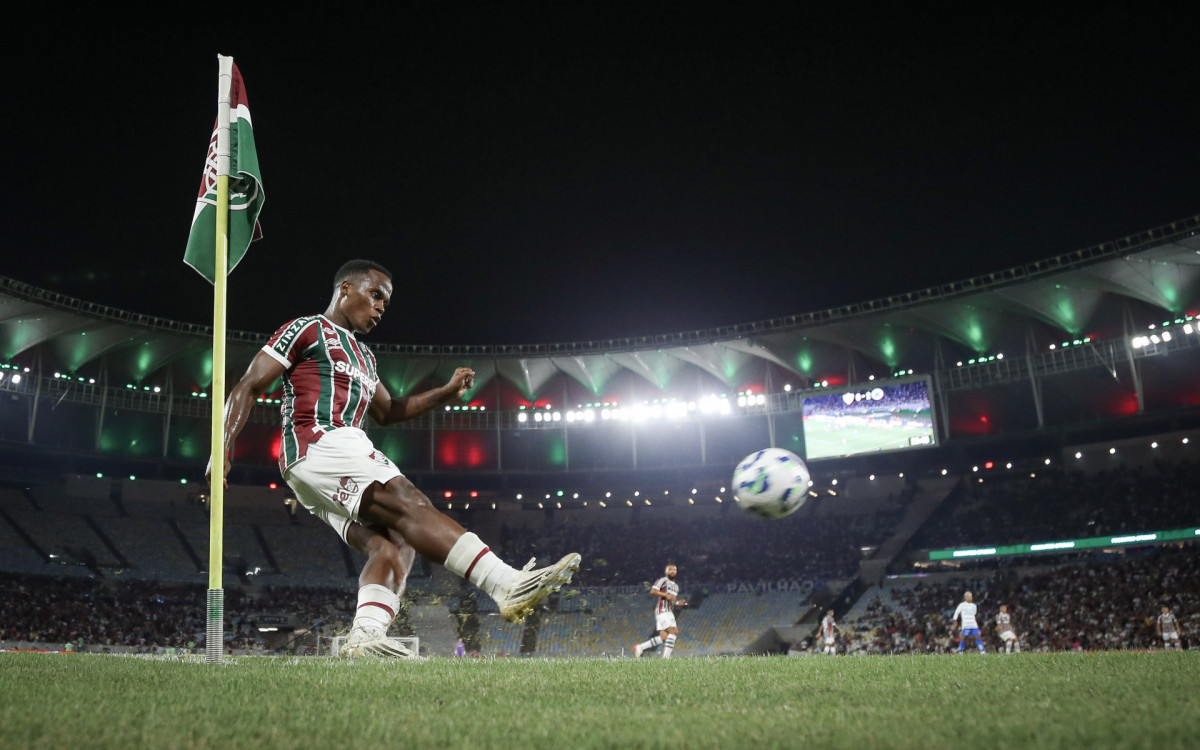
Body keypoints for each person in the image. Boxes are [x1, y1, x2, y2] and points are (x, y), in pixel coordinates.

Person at [208, 260, 581, 659]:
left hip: (324, 462)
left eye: (386, 302)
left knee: (392, 542)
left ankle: (365, 637)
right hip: (319, 440)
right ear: (346, 290)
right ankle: (504, 583)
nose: (381, 307)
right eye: (376, 296)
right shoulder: (307, 329)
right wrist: (222, 449)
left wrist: (446, 392)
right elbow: (248, 385)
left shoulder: (365, 357)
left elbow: (388, 411)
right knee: (409, 501)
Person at [633, 563, 687, 658]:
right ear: (666, 571)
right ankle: (666, 659)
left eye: (674, 569)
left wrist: (678, 603)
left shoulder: (676, 587)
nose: (672, 571)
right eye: (670, 569)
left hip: (668, 611)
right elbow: (653, 591)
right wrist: (666, 595)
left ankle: (640, 647)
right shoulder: (662, 581)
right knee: (674, 632)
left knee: (663, 637)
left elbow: (672, 600)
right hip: (663, 610)